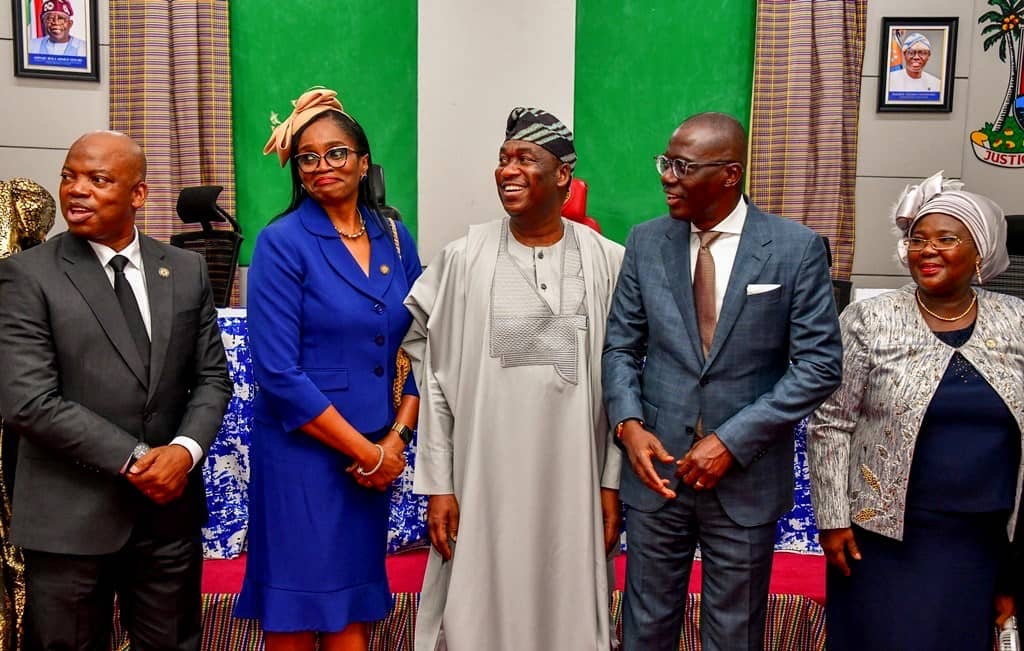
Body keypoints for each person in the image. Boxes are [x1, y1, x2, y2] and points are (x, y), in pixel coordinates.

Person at [602, 112, 843, 651]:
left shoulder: (795, 248)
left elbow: (820, 365)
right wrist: (628, 425)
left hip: (745, 479)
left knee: (734, 635)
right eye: (665, 163)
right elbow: (621, 346)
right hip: (657, 473)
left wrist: (731, 441)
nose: (667, 176)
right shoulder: (645, 242)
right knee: (644, 630)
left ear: (730, 175)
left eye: (682, 167)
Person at [0, 131, 231, 650]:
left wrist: (183, 452)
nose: (76, 190)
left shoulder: (187, 269)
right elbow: (28, 401)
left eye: (98, 180)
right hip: (68, 523)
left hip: (167, 519)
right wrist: (136, 460)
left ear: (138, 195)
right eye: (69, 176)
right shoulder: (24, 276)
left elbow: (212, 379)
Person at [404, 107, 624, 651]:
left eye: (527, 159)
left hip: (572, 477)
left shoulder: (609, 262)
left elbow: (626, 384)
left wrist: (610, 481)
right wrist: (439, 485)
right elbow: (433, 380)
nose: (509, 170)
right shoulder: (461, 258)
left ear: (563, 175)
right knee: (478, 608)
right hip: (483, 479)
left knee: (566, 600)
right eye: (504, 159)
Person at [233, 88, 422, 651]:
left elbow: (416, 345)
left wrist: (397, 438)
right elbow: (277, 371)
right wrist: (369, 455)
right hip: (305, 452)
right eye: (309, 156)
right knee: (294, 610)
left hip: (375, 449)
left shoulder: (393, 235)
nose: (322, 166)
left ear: (364, 163)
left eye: (337, 153)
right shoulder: (280, 242)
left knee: (351, 608)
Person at [807, 171, 1021, 650]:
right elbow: (831, 423)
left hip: (984, 538)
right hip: (882, 537)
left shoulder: (1018, 321)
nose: (927, 251)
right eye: (917, 240)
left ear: (981, 252)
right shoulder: (869, 318)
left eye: (947, 239)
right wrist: (833, 518)